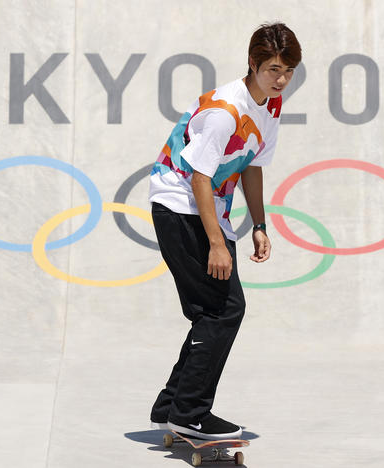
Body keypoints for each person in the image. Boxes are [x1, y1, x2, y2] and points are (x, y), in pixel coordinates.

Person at [147, 22, 301, 440]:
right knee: (222, 309)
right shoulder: (224, 112)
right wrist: (217, 243)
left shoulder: (270, 104)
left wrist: (259, 224)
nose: (281, 79)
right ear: (252, 64)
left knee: (212, 312)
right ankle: (191, 412)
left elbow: (251, 164)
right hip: (180, 206)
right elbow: (199, 177)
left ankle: (171, 407)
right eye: (272, 69)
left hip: (208, 208)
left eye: (288, 70)